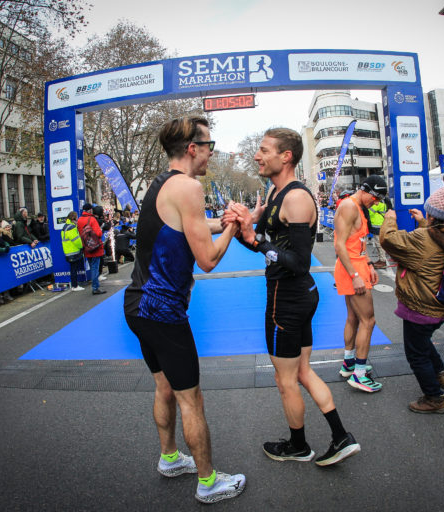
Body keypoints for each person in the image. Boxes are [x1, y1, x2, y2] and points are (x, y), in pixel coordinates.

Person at [123, 116, 245, 504]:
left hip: (137, 304)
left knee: (165, 387)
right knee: (191, 399)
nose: (212, 153)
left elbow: (188, 225)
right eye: (209, 146)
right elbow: (207, 260)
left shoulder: (162, 183)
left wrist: (222, 221)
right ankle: (209, 483)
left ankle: (170, 458)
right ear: (193, 148)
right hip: (162, 310)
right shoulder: (189, 187)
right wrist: (235, 227)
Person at [229, 127, 360, 467]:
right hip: (293, 296)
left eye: (264, 150)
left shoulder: (296, 198)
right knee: (301, 371)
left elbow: (299, 263)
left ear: (286, 156)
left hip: (287, 299)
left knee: (284, 378)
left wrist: (257, 240)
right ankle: (340, 436)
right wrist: (246, 230)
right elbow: (262, 246)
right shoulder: (275, 192)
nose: (257, 156)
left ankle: (299, 446)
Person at [380, 178, 444, 413]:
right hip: (441, 305)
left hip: (420, 308)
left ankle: (435, 398)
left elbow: (389, 239)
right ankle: (440, 373)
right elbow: (430, 244)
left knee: (415, 353)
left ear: (432, 215)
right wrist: (422, 223)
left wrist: (390, 219)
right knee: (423, 341)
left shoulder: (423, 238)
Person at [332, 175, 387, 392]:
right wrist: (355, 275)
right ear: (365, 190)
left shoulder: (357, 206)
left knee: (354, 318)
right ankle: (360, 374)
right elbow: (339, 245)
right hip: (351, 269)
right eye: (375, 197)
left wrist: (369, 264)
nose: (377, 202)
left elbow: (357, 243)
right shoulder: (349, 206)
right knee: (368, 320)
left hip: (356, 265)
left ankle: (349, 364)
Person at [77, 203, 106, 295]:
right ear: (90, 210)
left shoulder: (79, 220)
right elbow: (98, 233)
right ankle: (95, 287)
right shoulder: (92, 219)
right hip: (95, 247)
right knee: (95, 268)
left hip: (86, 247)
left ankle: (95, 285)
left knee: (92, 266)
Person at [60, 210, 84, 291]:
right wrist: (82, 246)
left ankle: (74, 285)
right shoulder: (71, 227)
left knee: (73, 269)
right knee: (74, 269)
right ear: (74, 218)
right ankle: (75, 285)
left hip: (68, 251)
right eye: (76, 217)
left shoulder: (65, 226)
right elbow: (76, 240)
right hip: (73, 251)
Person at [367, 196, 389, 268]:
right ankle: (381, 259)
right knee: (378, 243)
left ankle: (382, 261)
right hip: (378, 225)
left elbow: (370, 212)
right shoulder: (382, 202)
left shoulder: (378, 204)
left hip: (378, 225)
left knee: (379, 244)